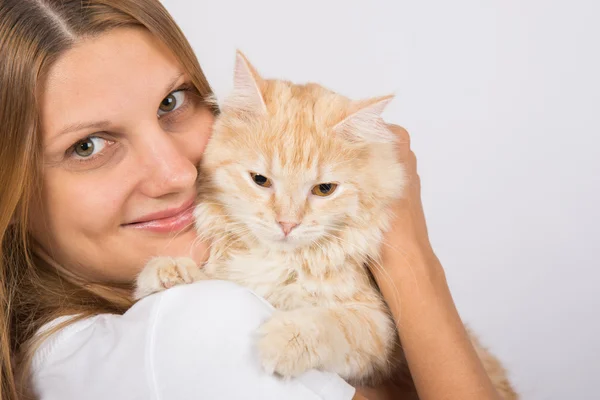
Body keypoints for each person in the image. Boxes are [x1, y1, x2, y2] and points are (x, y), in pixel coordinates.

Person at [0, 0, 503, 399]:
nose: (178, 173)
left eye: (172, 102)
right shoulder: (194, 326)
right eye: (86, 146)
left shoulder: (62, 347)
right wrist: (413, 263)